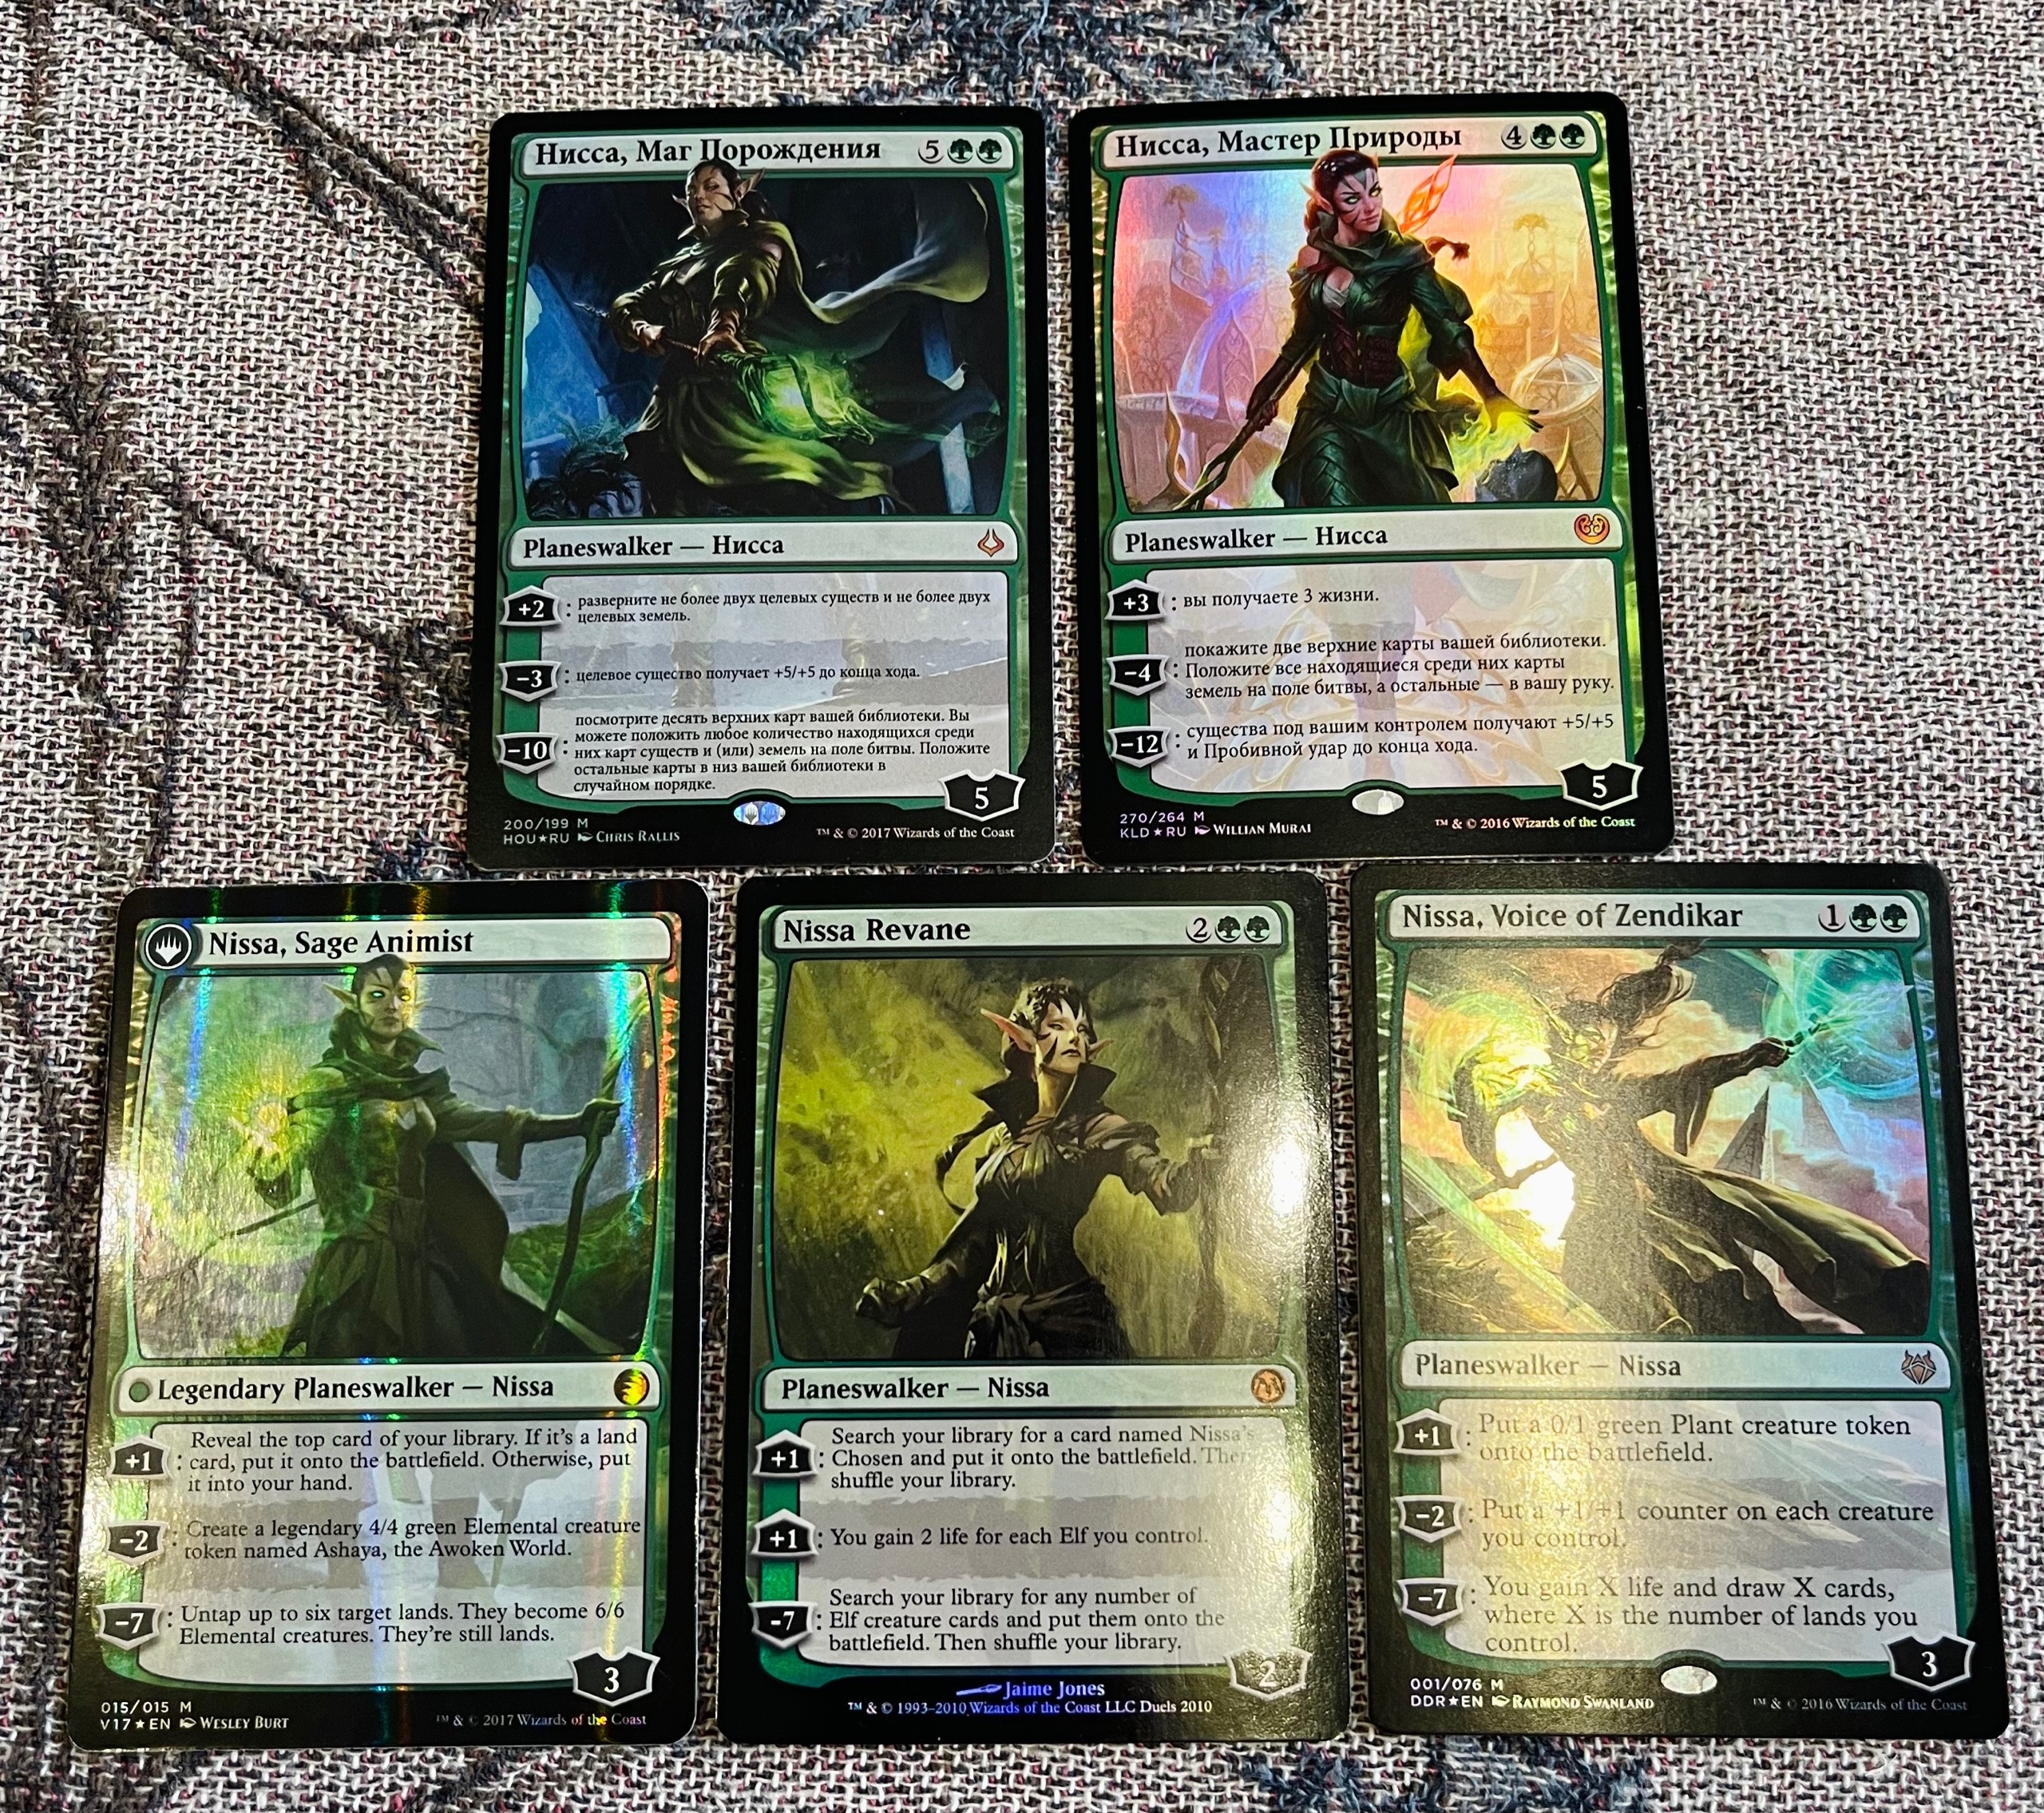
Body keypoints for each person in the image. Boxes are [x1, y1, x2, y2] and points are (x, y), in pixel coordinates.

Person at [1448, 944, 1930, 1337]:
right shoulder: (1538, 1090)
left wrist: (1747, 1059)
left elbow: (1679, 1080)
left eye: (1604, 1044)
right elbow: (1487, 1107)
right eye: (1588, 1040)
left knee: (1771, 1254)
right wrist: (1496, 1163)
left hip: (1668, 1190)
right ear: (1563, 1040)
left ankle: (1881, 1304)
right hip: (1612, 1207)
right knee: (1651, 1283)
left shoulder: (1610, 1091)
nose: (1597, 1051)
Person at [243, 954, 620, 1360]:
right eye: (377, 996)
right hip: (359, 1262)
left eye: (402, 996)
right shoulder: (329, 1082)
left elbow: (490, 1123)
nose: (392, 1006)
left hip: (421, 1254)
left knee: (457, 1349)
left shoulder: (416, 1088)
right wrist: (269, 1158)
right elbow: (296, 1150)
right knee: (352, 1368)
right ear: (354, 1003)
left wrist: (577, 1123)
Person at [604, 159, 996, 515]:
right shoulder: (678, 265)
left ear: (737, 192)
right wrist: (641, 327)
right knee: (664, 483)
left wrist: (723, 326)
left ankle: (967, 399)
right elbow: (629, 302)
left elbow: (744, 277)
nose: (699, 197)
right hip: (679, 404)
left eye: (711, 187)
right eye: (692, 191)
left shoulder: (761, 239)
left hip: (742, 386)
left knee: (822, 463)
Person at [855, 980, 1215, 1359]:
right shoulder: (1004, 1137)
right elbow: (977, 1241)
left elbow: (1165, 1185)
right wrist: (914, 1290)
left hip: (1069, 1323)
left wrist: (1198, 1168)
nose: (1074, 1038)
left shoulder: (1099, 1127)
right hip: (992, 1325)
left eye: (1082, 1030)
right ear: (1026, 1040)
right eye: (1058, 1026)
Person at [1242, 148, 1534, 507]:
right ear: (1328, 204)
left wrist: (1490, 393)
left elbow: (1445, 323)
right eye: (1352, 199)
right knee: (1333, 510)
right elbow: (1304, 337)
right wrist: (1268, 388)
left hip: (1390, 412)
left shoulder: (1404, 257)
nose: (1370, 207)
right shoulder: (1313, 258)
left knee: (1424, 513)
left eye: (1375, 191)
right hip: (1327, 409)